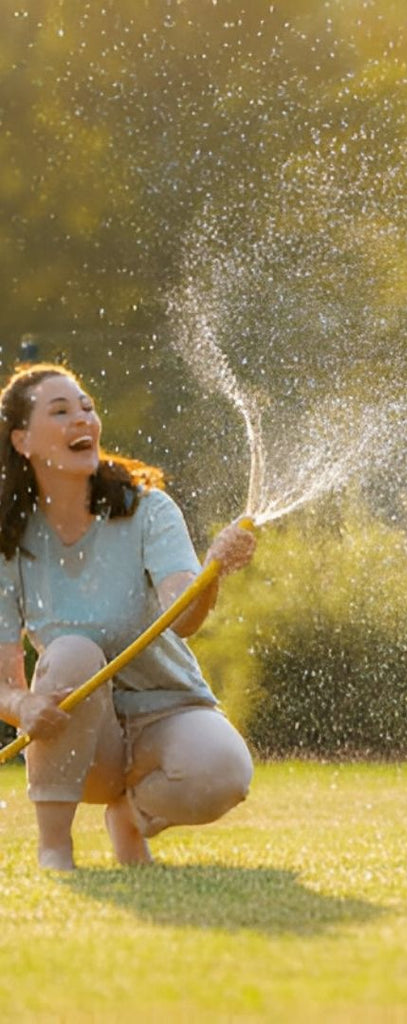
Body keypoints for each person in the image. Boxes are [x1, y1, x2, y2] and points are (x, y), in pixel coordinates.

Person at [0, 363, 257, 870]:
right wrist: (24, 707)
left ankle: (130, 817)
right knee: (72, 653)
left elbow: (182, 620)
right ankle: (55, 847)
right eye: (62, 411)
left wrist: (212, 573)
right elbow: (5, 683)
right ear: (22, 441)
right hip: (84, 745)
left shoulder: (149, 510)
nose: (83, 420)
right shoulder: (9, 543)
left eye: (87, 408)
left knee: (226, 771)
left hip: (168, 712)